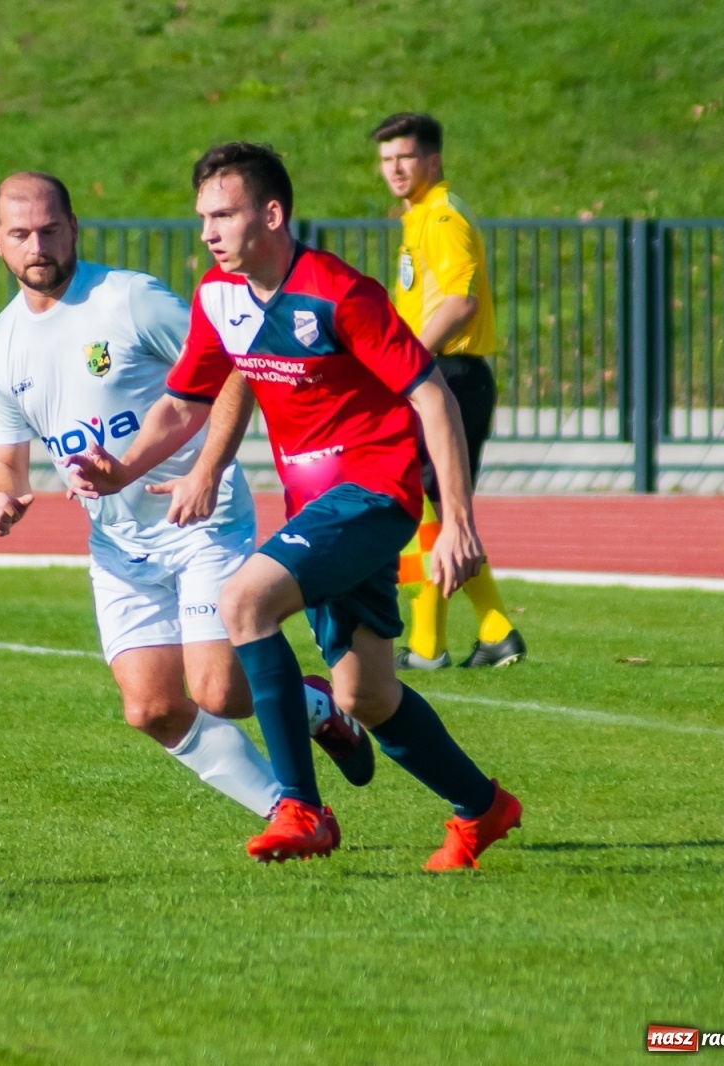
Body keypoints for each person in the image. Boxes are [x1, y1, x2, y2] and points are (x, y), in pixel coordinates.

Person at [66, 144, 521, 871]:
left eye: (225, 214)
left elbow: (432, 394)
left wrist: (459, 522)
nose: (209, 232)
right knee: (366, 695)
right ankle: (483, 808)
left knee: (243, 602)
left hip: (375, 494)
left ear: (272, 214)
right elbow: (183, 406)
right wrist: (119, 468)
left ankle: (301, 809)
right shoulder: (219, 297)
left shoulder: (341, 295)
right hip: (317, 510)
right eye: (203, 217)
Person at [0, 171, 373, 823]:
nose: (37, 245)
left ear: (74, 228)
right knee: (152, 708)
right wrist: (2, 498)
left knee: (217, 691)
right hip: (119, 546)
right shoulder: (0, 349)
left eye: (50, 229)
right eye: (20, 234)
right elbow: (5, 461)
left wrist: (208, 469)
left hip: (201, 523)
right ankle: (287, 811)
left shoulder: (129, 301)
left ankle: (313, 706)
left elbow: (236, 368)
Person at [373, 112, 526, 670]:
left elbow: (461, 300)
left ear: (432, 161)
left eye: (404, 158)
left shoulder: (440, 216)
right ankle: (491, 630)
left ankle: (429, 644)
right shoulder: (420, 216)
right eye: (387, 159)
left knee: (422, 507)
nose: (393, 168)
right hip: (442, 375)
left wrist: (406, 361)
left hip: (448, 376)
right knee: (434, 510)